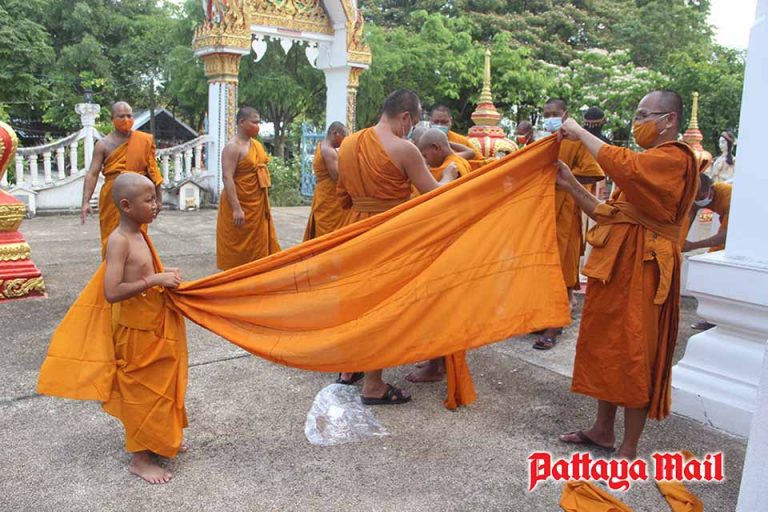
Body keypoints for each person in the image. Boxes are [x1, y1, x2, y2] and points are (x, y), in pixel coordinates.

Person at [555, 90, 698, 459]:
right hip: (616, 266)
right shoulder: (646, 165)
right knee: (608, 346)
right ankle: (602, 430)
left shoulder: (674, 159)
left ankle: (630, 445)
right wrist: (570, 183)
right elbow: (608, 213)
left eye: (644, 115)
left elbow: (625, 165)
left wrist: (580, 132)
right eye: (637, 115)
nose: (638, 123)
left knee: (636, 351)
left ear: (669, 120)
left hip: (647, 268)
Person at [38, 173, 188, 484]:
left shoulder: (140, 234)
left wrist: (164, 273)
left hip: (154, 324)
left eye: (155, 198)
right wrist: (155, 279)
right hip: (134, 333)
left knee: (162, 386)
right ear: (126, 206)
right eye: (149, 200)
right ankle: (139, 458)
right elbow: (112, 291)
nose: (156, 205)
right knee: (140, 392)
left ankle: (159, 437)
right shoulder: (119, 241)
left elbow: (143, 270)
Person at [334, 89, 458, 403]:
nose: (411, 129)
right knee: (382, 306)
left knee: (358, 303)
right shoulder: (404, 149)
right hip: (388, 234)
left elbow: (343, 195)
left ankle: (350, 368)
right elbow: (435, 194)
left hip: (354, 229)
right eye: (413, 123)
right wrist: (449, 175)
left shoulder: (348, 144)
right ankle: (374, 384)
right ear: (405, 117)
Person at [533, 99, 605, 350]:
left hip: (566, 212)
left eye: (555, 113)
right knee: (542, 267)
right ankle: (545, 317)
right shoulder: (544, 140)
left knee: (561, 267)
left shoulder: (577, 140)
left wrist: (564, 179)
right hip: (543, 212)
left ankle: (554, 326)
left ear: (565, 114)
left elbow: (595, 172)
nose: (550, 117)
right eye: (546, 114)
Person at [80, 101, 163, 258]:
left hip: (138, 195)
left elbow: (153, 171)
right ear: (112, 119)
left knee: (137, 236)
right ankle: (111, 268)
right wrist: (85, 202)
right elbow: (92, 173)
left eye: (129, 116)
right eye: (121, 116)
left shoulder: (143, 141)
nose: (126, 120)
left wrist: (158, 199)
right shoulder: (103, 145)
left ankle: (137, 268)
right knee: (111, 236)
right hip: (112, 196)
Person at [216, 106, 281, 270]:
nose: (258, 126)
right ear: (242, 122)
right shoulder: (233, 147)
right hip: (239, 203)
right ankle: (236, 278)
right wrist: (236, 208)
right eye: (254, 122)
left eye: (259, 123)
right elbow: (227, 177)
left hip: (256, 205)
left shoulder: (256, 145)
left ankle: (257, 274)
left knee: (258, 247)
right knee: (237, 247)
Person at [683, 173, 732, 330]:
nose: (698, 200)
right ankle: (711, 317)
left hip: (737, 237)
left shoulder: (728, 196)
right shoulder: (697, 196)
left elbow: (724, 236)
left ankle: (718, 319)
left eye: (701, 196)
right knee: (711, 272)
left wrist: (692, 245)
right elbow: (689, 216)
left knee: (719, 272)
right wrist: (679, 241)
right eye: (695, 197)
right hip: (726, 234)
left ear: (711, 189)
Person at [303, 122, 350, 241]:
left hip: (323, 192)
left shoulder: (321, 145)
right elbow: (336, 177)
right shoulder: (329, 151)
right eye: (344, 136)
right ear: (335, 133)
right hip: (330, 196)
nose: (345, 140)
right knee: (330, 232)